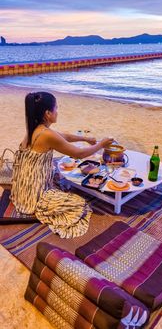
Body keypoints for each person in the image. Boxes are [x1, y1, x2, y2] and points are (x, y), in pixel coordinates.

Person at [10, 91, 113, 238]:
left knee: (63, 183)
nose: (57, 111)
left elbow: (64, 136)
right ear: (47, 113)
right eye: (56, 108)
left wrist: (86, 138)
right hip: (33, 195)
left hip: (23, 188)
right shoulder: (46, 134)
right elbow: (78, 154)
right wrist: (101, 144)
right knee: (79, 205)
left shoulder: (36, 129)